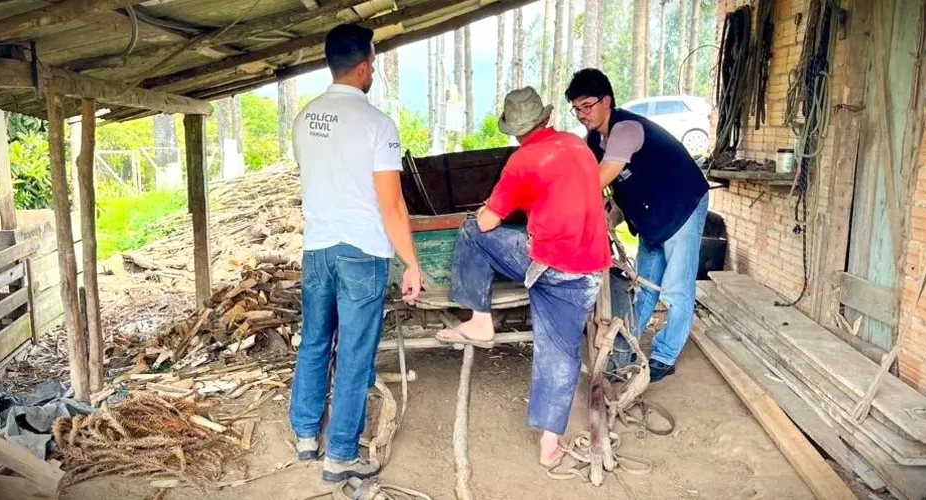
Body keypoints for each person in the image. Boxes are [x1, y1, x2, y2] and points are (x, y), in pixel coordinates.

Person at [434, 87, 610, 468]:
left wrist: (490, 206)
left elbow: (487, 221)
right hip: (589, 269)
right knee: (560, 353)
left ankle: (480, 322)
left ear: (515, 130)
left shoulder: (522, 160)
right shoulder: (577, 146)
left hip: (550, 263)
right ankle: (550, 448)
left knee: (470, 231)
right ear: (546, 119)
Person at [289, 23, 422, 483]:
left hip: (317, 250)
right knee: (354, 354)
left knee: (314, 341)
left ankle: (306, 436)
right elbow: (391, 203)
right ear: (365, 67)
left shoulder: (304, 118)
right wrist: (412, 262)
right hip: (362, 253)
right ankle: (341, 455)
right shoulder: (378, 124)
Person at [565, 68, 709, 383]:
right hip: (650, 216)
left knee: (675, 289)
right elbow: (598, 184)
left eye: (587, 106)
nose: (581, 115)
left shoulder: (626, 128)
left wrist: (562, 204)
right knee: (644, 285)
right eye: (576, 109)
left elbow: (602, 176)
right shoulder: (594, 139)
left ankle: (665, 356)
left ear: (607, 101)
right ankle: (628, 345)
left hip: (682, 207)